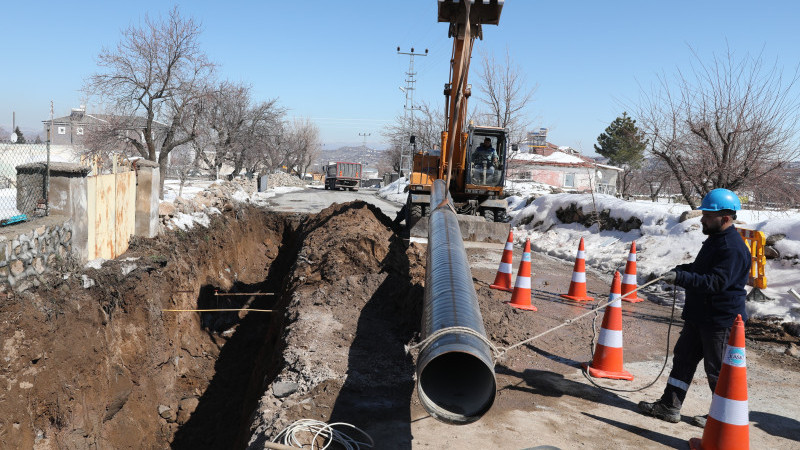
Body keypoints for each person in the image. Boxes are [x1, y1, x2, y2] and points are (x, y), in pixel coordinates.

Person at [638, 188, 751, 428]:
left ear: (725, 218)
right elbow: (703, 269)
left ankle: (724, 418)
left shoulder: (732, 248)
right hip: (701, 316)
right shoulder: (717, 240)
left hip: (721, 320)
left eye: (708, 215)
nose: (702, 219)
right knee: (684, 360)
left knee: (718, 371)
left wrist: (682, 278)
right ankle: (669, 406)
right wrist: (682, 270)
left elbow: (715, 282)